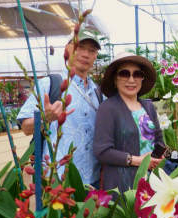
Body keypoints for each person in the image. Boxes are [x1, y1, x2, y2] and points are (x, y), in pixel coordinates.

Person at [17, 29, 102, 187]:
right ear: (68, 48)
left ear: (96, 56)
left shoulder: (97, 92)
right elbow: (25, 127)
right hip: (58, 180)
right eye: (80, 47)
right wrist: (45, 118)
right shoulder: (50, 84)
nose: (86, 54)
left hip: (94, 179)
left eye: (92, 51)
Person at [93, 52, 164, 192]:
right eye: (124, 74)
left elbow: (159, 139)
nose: (131, 80)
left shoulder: (148, 106)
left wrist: (159, 156)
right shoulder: (108, 108)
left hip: (152, 180)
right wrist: (137, 161)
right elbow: (101, 151)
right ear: (115, 79)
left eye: (137, 74)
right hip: (123, 184)